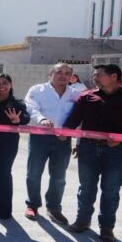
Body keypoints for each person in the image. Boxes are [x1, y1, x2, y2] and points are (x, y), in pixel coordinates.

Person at [64, 64, 122, 242]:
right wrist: (60, 133)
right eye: (94, 75)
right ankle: (82, 221)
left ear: (114, 77)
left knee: (111, 190)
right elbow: (73, 121)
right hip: (88, 149)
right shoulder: (86, 97)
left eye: (99, 75)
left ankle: (107, 227)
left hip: (117, 152)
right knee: (86, 187)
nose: (94, 78)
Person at [22, 63, 81, 224]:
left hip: (63, 140)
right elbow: (31, 108)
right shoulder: (37, 90)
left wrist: (78, 141)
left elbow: (81, 118)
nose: (63, 76)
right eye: (59, 72)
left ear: (71, 77)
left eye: (67, 73)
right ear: (50, 74)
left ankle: (54, 208)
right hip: (39, 137)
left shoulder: (76, 94)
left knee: (59, 176)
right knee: (34, 173)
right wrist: (41, 119)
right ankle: (32, 204)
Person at [0, 73, 30, 220]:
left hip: (8, 143)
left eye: (5, 83)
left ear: (10, 85)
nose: (1, 86)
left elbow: (26, 117)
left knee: (4, 172)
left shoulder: (17, 102)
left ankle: (4, 210)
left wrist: (18, 119)